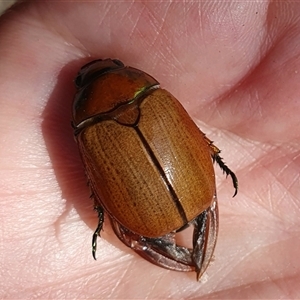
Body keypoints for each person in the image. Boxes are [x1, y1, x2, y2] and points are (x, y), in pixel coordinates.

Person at [1, 1, 299, 298]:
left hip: (153, 210)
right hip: (183, 195)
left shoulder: (89, 129)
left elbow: (97, 174)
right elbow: (190, 134)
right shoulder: (155, 99)